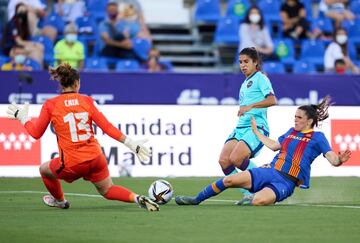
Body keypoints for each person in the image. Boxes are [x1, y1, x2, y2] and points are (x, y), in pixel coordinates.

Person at [6, 63, 159, 212]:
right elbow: (107, 127)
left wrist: (23, 118)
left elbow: (35, 133)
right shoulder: (87, 101)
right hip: (96, 158)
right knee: (108, 189)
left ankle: (60, 201)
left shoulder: (50, 104)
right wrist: (130, 143)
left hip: (73, 163)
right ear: (77, 84)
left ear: (61, 84)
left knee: (44, 169)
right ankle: (137, 198)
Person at [175, 96, 351, 206]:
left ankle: (252, 198)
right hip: (269, 171)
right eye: (294, 117)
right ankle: (196, 199)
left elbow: (333, 160)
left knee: (258, 201)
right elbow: (275, 146)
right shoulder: (290, 132)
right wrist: (257, 132)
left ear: (310, 120)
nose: (295, 120)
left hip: (286, 182)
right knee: (228, 180)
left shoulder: (318, 138)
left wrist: (340, 160)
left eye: (299, 118)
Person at [216, 47, 277, 204]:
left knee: (237, 158)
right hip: (240, 128)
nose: (243, 65)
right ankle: (247, 193)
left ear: (255, 62)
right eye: (241, 62)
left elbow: (272, 100)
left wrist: (251, 106)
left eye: (246, 62)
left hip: (256, 127)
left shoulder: (261, 78)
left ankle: (267, 185)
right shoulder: (245, 83)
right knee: (224, 160)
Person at [2, 3, 45, 67]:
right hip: (11, 49)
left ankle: (40, 72)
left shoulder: (24, 24)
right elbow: (19, 41)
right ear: (16, 11)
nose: (23, 13)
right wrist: (34, 44)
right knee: (35, 52)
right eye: (21, 11)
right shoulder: (12, 24)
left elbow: (31, 34)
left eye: (24, 11)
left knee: (40, 48)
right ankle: (38, 73)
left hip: (20, 47)